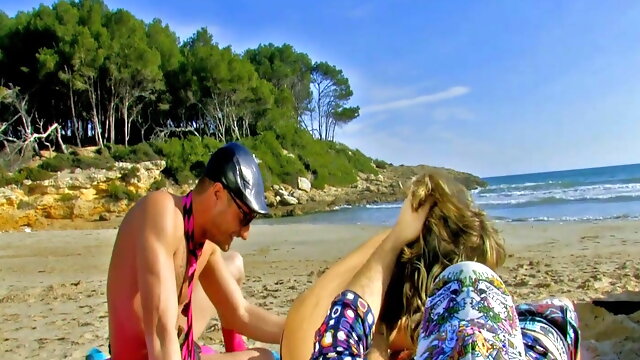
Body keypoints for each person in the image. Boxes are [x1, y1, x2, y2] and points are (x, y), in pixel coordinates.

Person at [282, 171, 582, 360]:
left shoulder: (552, 323)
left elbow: (343, 329)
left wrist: (394, 238)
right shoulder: (546, 330)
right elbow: (561, 316)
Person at [106, 142, 285, 360]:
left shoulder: (205, 242)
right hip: (151, 354)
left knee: (234, 264)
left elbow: (239, 313)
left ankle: (232, 347)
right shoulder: (163, 213)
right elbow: (162, 337)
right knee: (265, 359)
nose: (246, 232)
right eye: (245, 217)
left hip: (180, 346)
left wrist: (311, 331)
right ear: (218, 193)